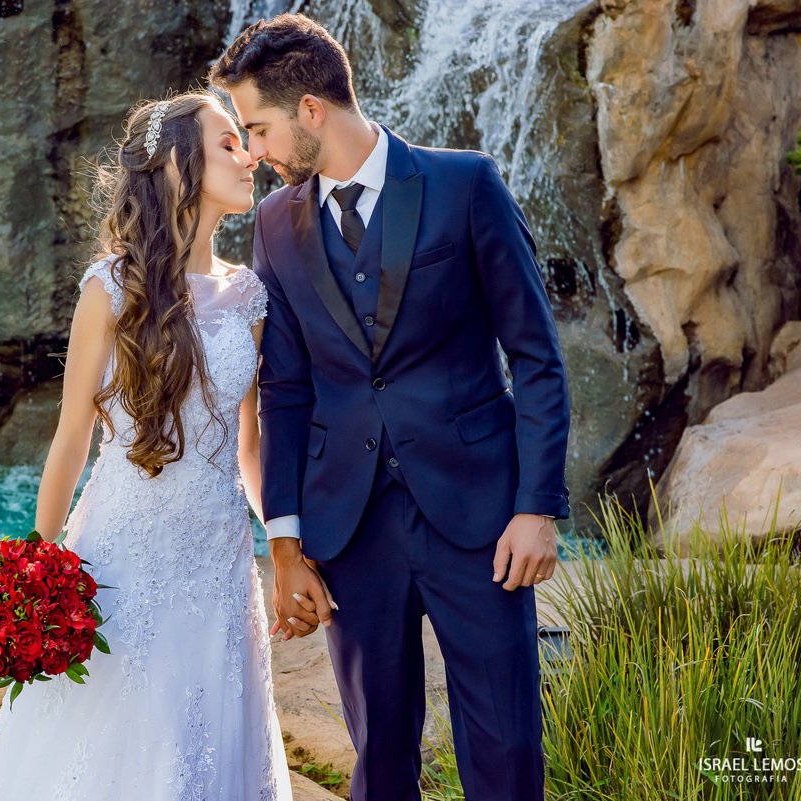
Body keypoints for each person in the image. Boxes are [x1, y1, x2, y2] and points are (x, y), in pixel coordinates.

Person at [210, 14, 571, 801]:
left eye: (259, 128)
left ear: (311, 110)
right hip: (350, 525)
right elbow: (286, 391)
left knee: (507, 746)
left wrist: (536, 507)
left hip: (482, 518)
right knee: (378, 752)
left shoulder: (465, 184)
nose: (254, 151)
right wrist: (287, 543)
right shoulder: (274, 225)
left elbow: (537, 356)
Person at [0, 91, 293, 801]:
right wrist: (33, 571)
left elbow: (250, 447)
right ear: (175, 166)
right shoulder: (110, 287)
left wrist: (290, 551)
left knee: (208, 745)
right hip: (122, 554)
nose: (251, 157)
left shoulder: (250, 296)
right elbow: (72, 436)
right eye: (229, 144)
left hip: (220, 563)